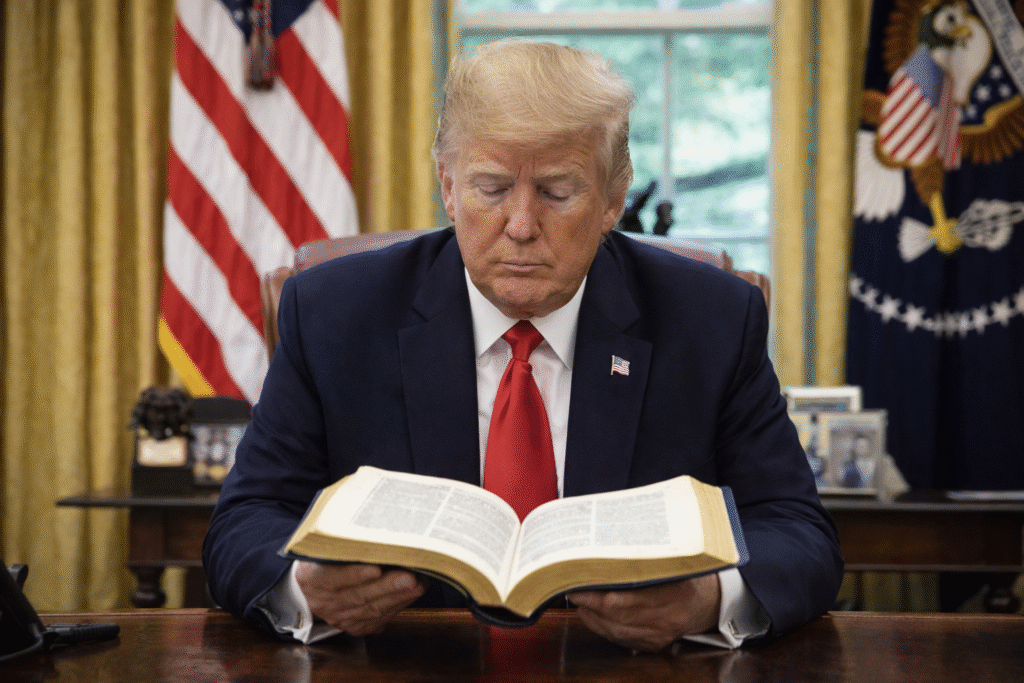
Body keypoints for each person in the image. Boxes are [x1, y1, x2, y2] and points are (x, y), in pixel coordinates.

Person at [203, 40, 843, 653]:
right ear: (448, 186)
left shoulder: (710, 319)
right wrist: (304, 590)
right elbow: (245, 522)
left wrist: (709, 600)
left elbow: (797, 531)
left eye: (557, 193)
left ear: (613, 199)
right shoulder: (334, 313)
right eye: (490, 188)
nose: (521, 225)